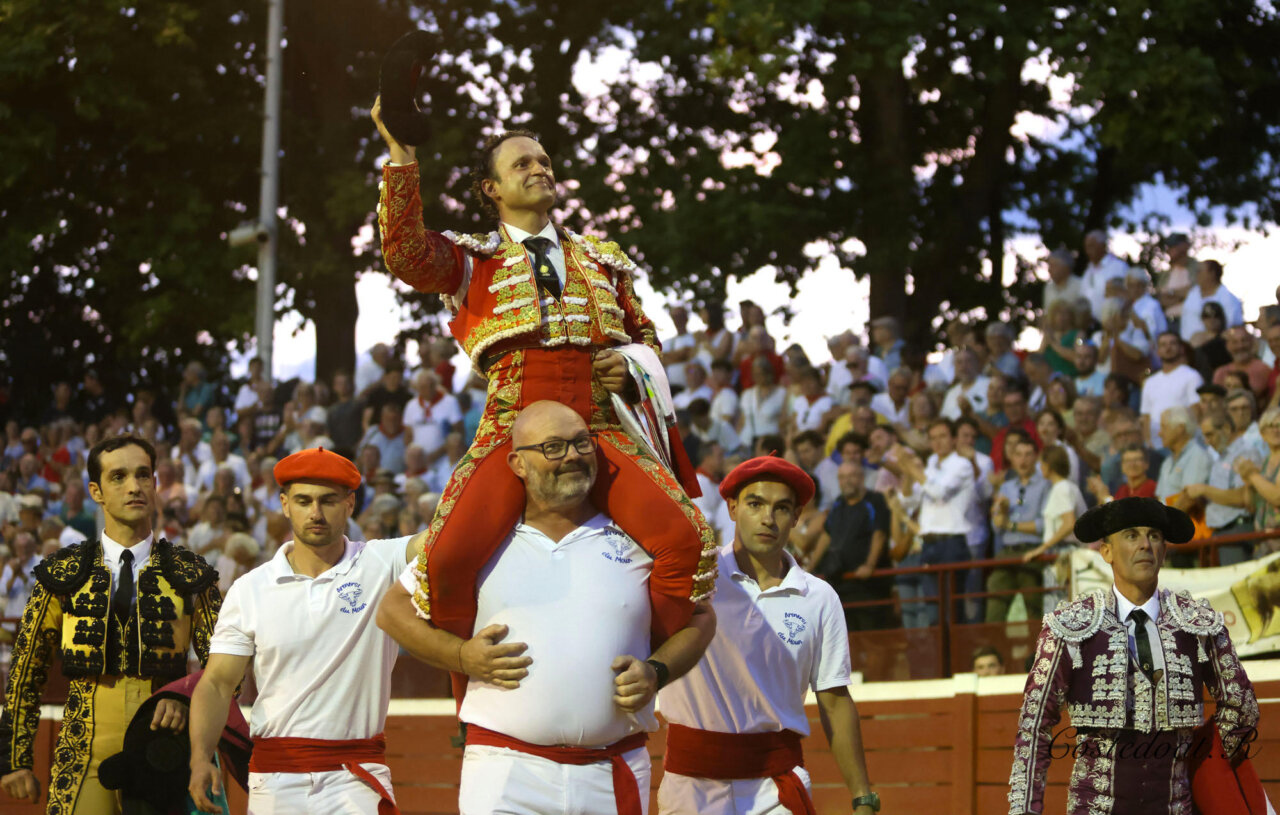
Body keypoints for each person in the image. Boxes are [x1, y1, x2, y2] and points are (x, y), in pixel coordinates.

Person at [372, 109, 716, 648]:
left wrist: (628, 368)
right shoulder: (472, 260)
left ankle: (641, 658)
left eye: (545, 161)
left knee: (687, 540)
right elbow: (406, 252)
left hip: (599, 426)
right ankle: (469, 694)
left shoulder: (604, 260)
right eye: (523, 163)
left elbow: (645, 338)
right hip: (511, 428)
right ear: (493, 189)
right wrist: (403, 157)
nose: (540, 169)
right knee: (447, 558)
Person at [374, 401, 715, 815]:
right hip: (505, 772)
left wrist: (656, 671)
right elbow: (392, 611)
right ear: (517, 462)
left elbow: (700, 617)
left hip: (612, 769)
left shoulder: (638, 541)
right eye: (553, 447)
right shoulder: (478, 542)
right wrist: (461, 656)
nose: (571, 456)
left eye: (581, 443)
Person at [187, 447, 422, 814]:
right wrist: (200, 758)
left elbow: (447, 535)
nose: (315, 513)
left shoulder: (382, 561)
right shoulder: (250, 589)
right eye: (303, 500)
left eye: (328, 500)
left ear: (350, 504)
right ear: (284, 504)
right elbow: (217, 682)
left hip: (355, 777)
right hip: (274, 778)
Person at [1, 435, 222, 814]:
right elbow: (26, 671)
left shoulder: (191, 574)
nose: (134, 487)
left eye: (143, 475)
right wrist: (15, 759)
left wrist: (185, 697)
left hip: (166, 749)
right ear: (96, 491)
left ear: (155, 484)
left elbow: (226, 668)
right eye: (118, 477)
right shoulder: (63, 573)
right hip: (83, 747)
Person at [1008, 497, 1260, 814]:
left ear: (1164, 551)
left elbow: (1242, 708)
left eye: (1154, 535)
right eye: (1131, 535)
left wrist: (1197, 765)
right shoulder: (1073, 627)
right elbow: (1035, 727)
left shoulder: (1197, 623)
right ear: (1107, 552)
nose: (1145, 545)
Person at [656, 455, 878, 815]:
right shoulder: (691, 579)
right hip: (690, 788)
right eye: (755, 504)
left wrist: (863, 797)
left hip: (774, 792)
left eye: (781, 508)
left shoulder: (820, 598)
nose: (767, 519)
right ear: (731, 508)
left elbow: (835, 700)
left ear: (796, 517)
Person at [807, 458, 892, 632]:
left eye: (852, 476)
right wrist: (810, 568)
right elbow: (826, 535)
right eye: (842, 477)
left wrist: (869, 565)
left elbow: (879, 534)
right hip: (840, 584)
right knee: (847, 640)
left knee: (873, 640)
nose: (847, 481)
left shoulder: (875, 500)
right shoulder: (838, 504)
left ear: (861, 477)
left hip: (868, 587)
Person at [988, 436, 1051, 623]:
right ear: (1012, 458)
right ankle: (992, 650)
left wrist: (1010, 524)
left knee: (1034, 609)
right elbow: (996, 527)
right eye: (1018, 455)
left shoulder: (1045, 485)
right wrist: (1001, 513)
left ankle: (1038, 652)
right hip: (1007, 551)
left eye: (1028, 455)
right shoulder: (1006, 487)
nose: (1023, 460)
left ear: (1036, 457)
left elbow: (1043, 525)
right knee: (994, 599)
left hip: (1033, 552)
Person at [1140, 331, 1204, 447]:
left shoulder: (1192, 376)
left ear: (1181, 349)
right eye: (1163, 345)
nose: (1168, 348)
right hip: (1156, 444)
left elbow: (1197, 410)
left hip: (1182, 441)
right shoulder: (1149, 382)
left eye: (1172, 344)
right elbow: (1146, 416)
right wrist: (1148, 441)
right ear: (1158, 351)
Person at [1179, 259, 1244, 344]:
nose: (1196, 274)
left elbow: (1233, 326)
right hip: (1188, 348)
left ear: (1212, 273)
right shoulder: (1193, 294)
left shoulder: (1229, 299)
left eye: (1199, 271)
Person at [1081, 230, 1130, 321]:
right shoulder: (1087, 272)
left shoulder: (1118, 267)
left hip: (1115, 324)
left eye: (1091, 246)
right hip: (1091, 327)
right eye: (1086, 247)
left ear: (1103, 246)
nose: (1088, 251)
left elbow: (1129, 295)